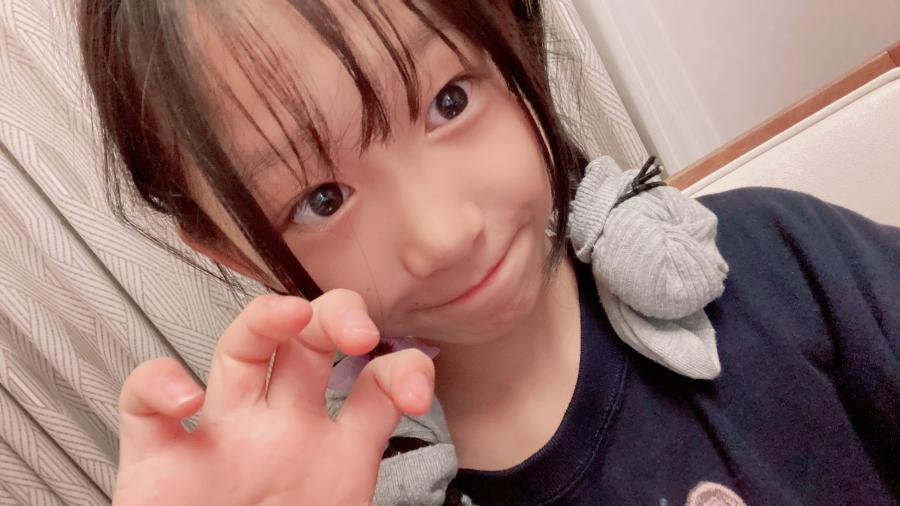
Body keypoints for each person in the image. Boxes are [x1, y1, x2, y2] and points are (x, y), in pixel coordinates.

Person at [77, 0, 899, 504]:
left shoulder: (780, 261)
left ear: (514, 26)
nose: (441, 234)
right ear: (230, 247)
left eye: (448, 100)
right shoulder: (342, 495)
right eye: (322, 199)